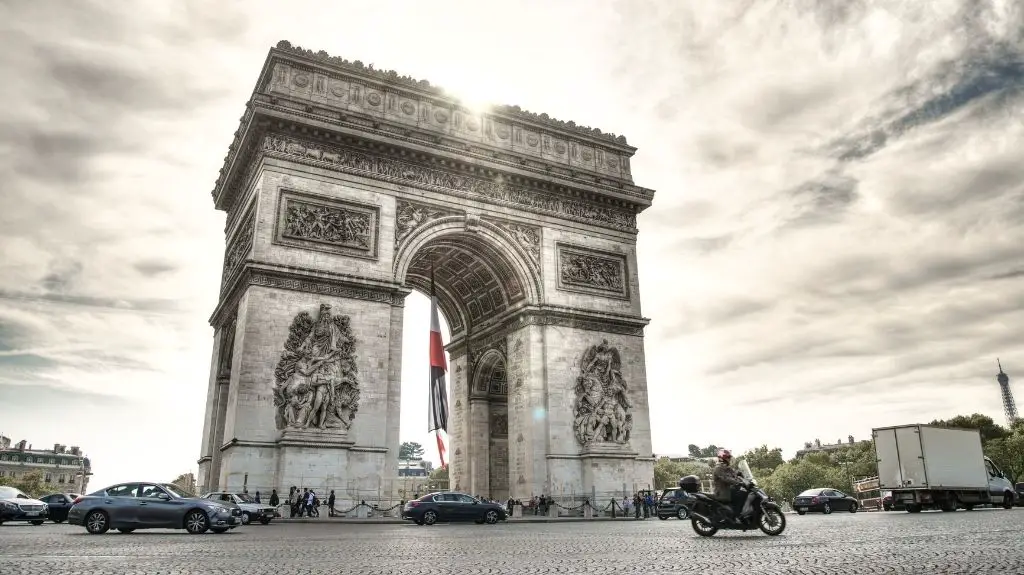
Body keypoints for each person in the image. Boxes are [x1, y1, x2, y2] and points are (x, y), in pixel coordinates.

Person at [712, 448, 748, 520]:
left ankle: (742, 514)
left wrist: (741, 475)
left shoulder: (727, 467)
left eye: (729, 457)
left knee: (744, 492)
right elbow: (726, 478)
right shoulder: (718, 468)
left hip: (728, 490)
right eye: (728, 457)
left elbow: (734, 474)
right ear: (723, 458)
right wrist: (738, 482)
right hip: (722, 492)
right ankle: (737, 515)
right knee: (741, 495)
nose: (729, 459)